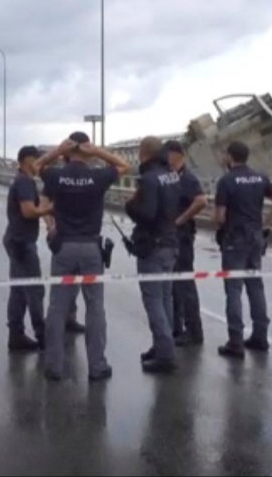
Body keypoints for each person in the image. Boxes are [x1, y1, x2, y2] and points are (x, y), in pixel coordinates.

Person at [36, 132, 129, 381]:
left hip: (64, 246)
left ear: (67, 151)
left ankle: (54, 366)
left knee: (57, 306)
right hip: (90, 247)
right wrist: (97, 151)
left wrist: (57, 151)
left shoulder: (56, 176)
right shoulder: (97, 176)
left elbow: (36, 166)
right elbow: (123, 165)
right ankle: (97, 366)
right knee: (95, 307)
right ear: (87, 152)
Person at [213, 141, 272, 359]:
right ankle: (260, 336)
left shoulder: (226, 181)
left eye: (224, 154)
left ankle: (235, 341)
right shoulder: (260, 177)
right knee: (255, 286)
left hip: (235, 239)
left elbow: (219, 217)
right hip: (256, 237)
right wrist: (266, 224)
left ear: (230, 157)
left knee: (234, 289)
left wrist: (220, 226)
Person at [126, 136, 181, 373]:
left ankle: (165, 354)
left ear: (143, 152)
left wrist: (130, 206)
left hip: (154, 246)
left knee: (154, 300)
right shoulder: (172, 174)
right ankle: (163, 345)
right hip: (171, 242)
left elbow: (146, 214)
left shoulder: (148, 179)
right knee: (166, 298)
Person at [4, 146, 51, 351]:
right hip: (22, 243)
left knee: (19, 291)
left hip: (16, 239)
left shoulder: (25, 181)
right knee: (34, 289)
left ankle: (16, 335)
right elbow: (29, 211)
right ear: (27, 160)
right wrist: (52, 209)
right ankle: (42, 335)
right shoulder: (24, 182)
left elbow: (36, 205)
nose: (40, 163)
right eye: (37, 159)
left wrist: (48, 219)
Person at [164, 140, 207, 347]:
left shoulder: (187, 178)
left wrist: (180, 220)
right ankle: (177, 326)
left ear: (176, 154)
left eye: (167, 154)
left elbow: (201, 200)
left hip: (182, 236)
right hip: (171, 237)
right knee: (174, 285)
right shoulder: (171, 177)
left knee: (185, 283)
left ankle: (194, 330)